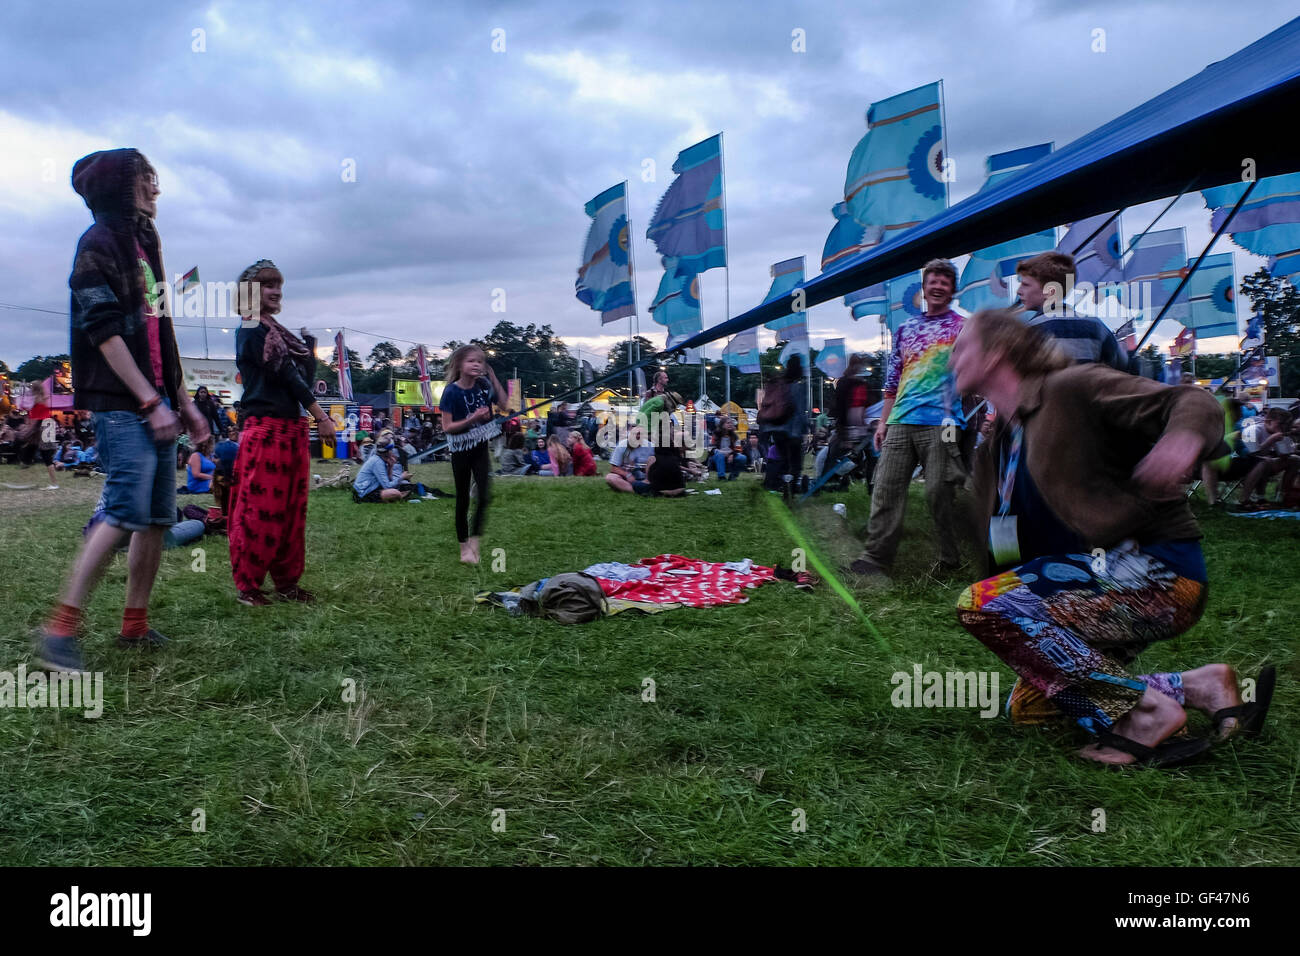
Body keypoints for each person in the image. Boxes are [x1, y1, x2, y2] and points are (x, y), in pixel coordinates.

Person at [951, 308, 1270, 766]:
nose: (951, 359)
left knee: (982, 604)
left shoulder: (1072, 387)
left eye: (962, 346)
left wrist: (1179, 442)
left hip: (1157, 574)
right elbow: (1000, 545)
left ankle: (1146, 716)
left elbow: (1191, 403)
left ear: (998, 350)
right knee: (1032, 704)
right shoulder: (999, 444)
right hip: (1083, 587)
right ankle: (1199, 686)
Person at [37, 148, 212, 672]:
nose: (156, 189)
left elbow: (162, 331)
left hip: (158, 399)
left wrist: (183, 401)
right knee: (123, 510)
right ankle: (58, 631)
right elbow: (104, 330)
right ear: (121, 187)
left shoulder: (145, 243)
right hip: (121, 404)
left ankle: (133, 624)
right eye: (146, 180)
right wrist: (148, 400)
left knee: (158, 518)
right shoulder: (97, 244)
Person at [228, 259, 336, 607]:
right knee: (260, 511)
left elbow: (298, 376)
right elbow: (286, 376)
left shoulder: (277, 331)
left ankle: (287, 584)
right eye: (267, 285)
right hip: (266, 429)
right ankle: (248, 587)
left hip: (291, 429)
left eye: (278, 286)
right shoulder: (251, 328)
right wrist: (321, 415)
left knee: (292, 513)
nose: (275, 292)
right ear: (250, 292)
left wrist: (309, 352)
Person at [851, 259, 966, 578]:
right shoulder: (905, 329)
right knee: (885, 488)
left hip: (943, 423)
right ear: (924, 288)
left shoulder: (964, 327)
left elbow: (978, 372)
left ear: (953, 290)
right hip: (901, 419)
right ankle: (876, 558)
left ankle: (950, 558)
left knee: (938, 491)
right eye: (933, 280)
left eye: (945, 281)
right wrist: (883, 422)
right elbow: (892, 380)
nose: (939, 286)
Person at [439, 343, 506, 564]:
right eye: (471, 361)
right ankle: (463, 547)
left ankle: (475, 543)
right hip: (459, 448)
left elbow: (505, 405)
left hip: (479, 446)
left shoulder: (484, 384)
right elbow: (447, 427)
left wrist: (494, 377)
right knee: (463, 499)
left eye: (480, 361)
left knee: (485, 496)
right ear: (459, 364)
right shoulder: (451, 392)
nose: (477, 365)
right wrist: (473, 418)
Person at [1014, 251, 1127, 371]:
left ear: (1050, 292)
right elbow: (1122, 367)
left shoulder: (1027, 332)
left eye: (1025, 285)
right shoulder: (1097, 326)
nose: (1019, 291)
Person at [760, 354, 809, 491]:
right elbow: (800, 412)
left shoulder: (779, 384)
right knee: (795, 463)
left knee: (784, 459)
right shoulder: (797, 387)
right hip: (792, 431)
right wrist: (802, 431)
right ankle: (790, 488)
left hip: (776, 429)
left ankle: (778, 483)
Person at [25, 381, 61, 489]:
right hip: (47, 427)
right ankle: (53, 482)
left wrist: (30, 429)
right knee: (44, 455)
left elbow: (36, 417)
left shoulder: (37, 399)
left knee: (46, 457)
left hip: (41, 427)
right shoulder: (44, 398)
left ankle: (54, 483)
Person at [605, 424, 653, 493]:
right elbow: (614, 468)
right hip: (627, 480)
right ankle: (637, 491)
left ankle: (641, 489)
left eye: (640, 434)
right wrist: (627, 475)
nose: (637, 436)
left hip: (646, 480)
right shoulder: (622, 445)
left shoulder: (651, 447)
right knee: (610, 478)